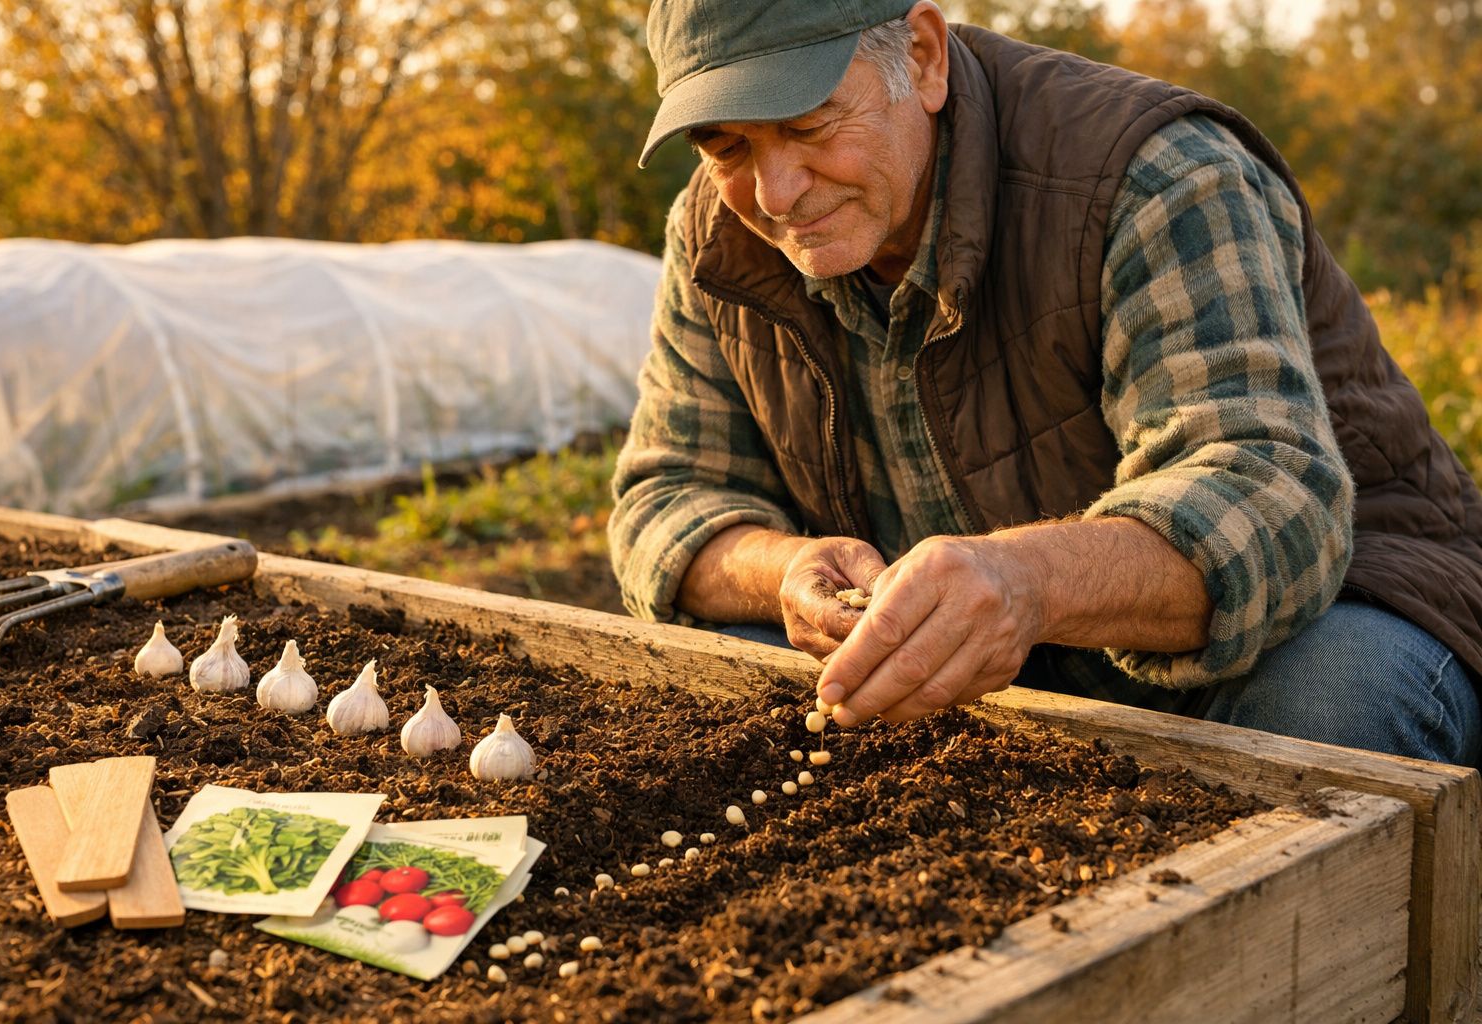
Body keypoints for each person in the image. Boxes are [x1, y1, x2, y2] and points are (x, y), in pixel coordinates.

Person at [609, 0, 1482, 766]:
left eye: (808, 126)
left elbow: (1268, 495)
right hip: (1007, 654)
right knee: (731, 670)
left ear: (922, 57)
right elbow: (665, 498)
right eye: (727, 146)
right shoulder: (719, 231)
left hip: (1330, 603)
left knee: (1330, 702)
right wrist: (784, 569)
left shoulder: (1154, 173)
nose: (776, 191)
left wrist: (1025, 582)